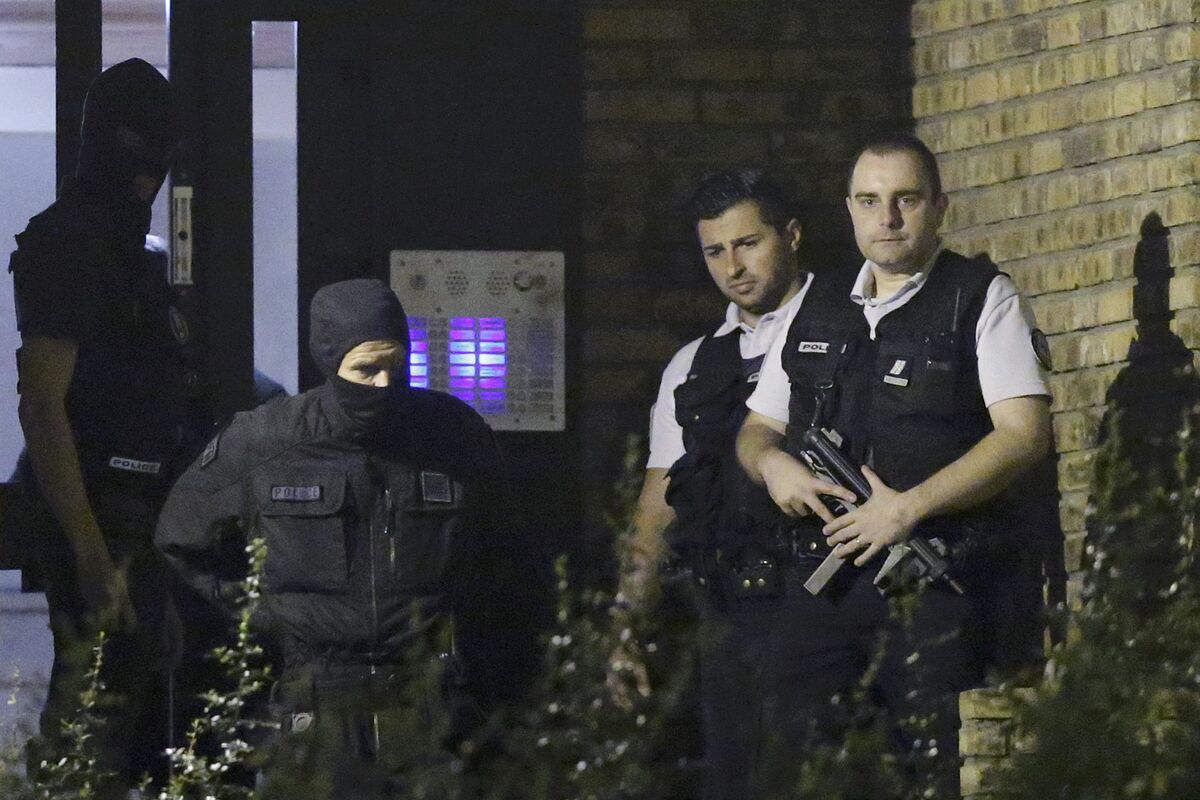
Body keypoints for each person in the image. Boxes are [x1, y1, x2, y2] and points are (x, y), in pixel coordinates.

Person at [736, 133, 1054, 796]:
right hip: (824, 583)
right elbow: (757, 430)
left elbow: (1023, 436)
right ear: (849, 209)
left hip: (931, 584)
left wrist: (907, 509)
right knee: (795, 770)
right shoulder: (815, 306)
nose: (887, 217)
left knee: (930, 773)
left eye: (906, 199)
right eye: (869, 201)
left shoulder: (979, 297)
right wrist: (772, 466)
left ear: (939, 206)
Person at [155, 279, 545, 798]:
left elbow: (506, 552)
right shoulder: (268, 441)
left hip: (429, 699)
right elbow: (181, 542)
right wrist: (265, 619)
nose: (384, 384)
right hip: (318, 701)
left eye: (397, 365)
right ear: (329, 360)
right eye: (366, 368)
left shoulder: (451, 436)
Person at [617, 169, 846, 799]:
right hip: (728, 615)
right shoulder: (694, 365)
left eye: (748, 243)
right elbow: (656, 507)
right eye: (715, 251)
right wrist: (625, 624)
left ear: (791, 235)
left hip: (830, 605)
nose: (733, 267)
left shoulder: (851, 328)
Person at [8, 58, 185, 795]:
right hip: (100, 509)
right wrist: (87, 547)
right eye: (135, 153)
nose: (146, 179)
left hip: (145, 511)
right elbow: (43, 405)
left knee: (133, 720)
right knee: (93, 722)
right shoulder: (67, 245)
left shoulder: (135, 257)